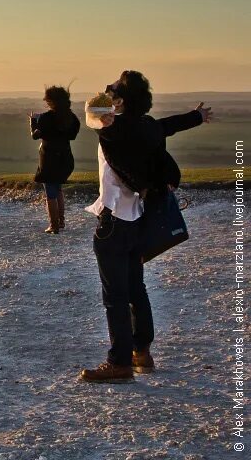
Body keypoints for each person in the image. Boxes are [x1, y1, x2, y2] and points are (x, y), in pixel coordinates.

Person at [79, 71, 212, 383]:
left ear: (121, 100)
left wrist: (104, 110)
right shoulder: (147, 127)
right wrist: (197, 115)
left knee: (115, 296)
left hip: (113, 222)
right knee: (136, 289)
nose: (105, 90)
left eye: (111, 89)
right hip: (138, 218)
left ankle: (119, 362)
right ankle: (142, 353)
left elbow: (91, 112)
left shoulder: (113, 129)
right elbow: (169, 125)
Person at [29, 85, 80, 233]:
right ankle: (61, 221)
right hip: (65, 157)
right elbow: (72, 135)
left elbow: (35, 135)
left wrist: (33, 121)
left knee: (50, 192)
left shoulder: (46, 118)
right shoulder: (72, 118)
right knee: (58, 189)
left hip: (49, 158)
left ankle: (54, 225)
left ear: (51, 101)